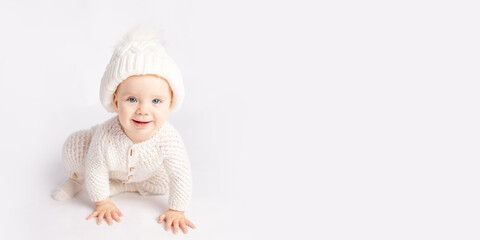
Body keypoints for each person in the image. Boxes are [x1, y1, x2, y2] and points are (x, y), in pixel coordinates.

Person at [51, 26, 196, 234]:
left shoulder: (169, 138)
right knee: (76, 147)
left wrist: (177, 210)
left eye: (156, 101)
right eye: (132, 99)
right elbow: (96, 167)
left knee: (165, 179)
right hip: (105, 162)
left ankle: (124, 186)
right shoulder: (105, 135)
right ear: (115, 101)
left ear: (170, 103)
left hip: (145, 175)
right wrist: (102, 203)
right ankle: (76, 180)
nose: (143, 110)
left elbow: (181, 175)